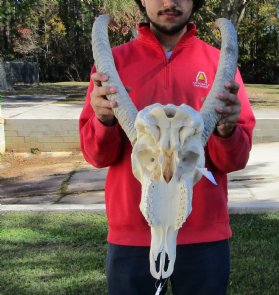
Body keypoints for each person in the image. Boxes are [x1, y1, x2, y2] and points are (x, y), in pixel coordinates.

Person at [79, 0, 256, 293]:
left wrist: (226, 130)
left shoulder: (218, 65)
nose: (169, 2)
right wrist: (104, 121)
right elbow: (97, 155)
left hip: (204, 238)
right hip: (132, 237)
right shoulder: (113, 65)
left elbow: (234, 161)